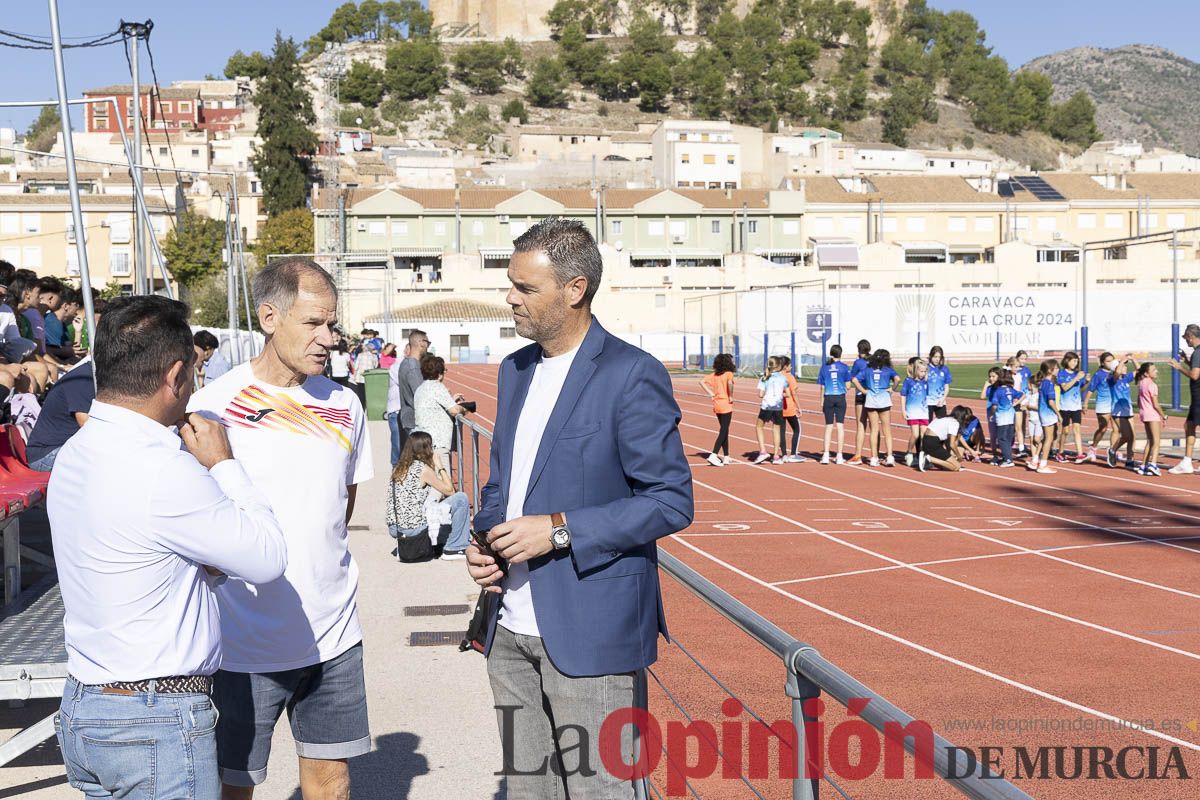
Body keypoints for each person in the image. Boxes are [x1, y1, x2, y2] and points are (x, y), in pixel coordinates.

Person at [466, 217, 693, 799]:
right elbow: (503, 485)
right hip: (509, 632)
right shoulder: (515, 370)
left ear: (574, 289)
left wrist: (559, 530)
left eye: (525, 288)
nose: (509, 299)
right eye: (511, 285)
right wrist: (486, 541)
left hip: (591, 635)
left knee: (601, 793)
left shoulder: (630, 374)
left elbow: (671, 500)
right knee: (528, 790)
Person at [49, 295, 287, 800]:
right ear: (176, 376)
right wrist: (224, 463)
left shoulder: (77, 451)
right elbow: (267, 558)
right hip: (154, 715)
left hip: (88, 704)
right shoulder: (162, 467)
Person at [188, 258, 374, 799]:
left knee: (332, 781)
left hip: (334, 633)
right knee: (234, 787)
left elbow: (342, 503)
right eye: (313, 323)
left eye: (332, 325)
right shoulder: (213, 404)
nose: (328, 338)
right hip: (241, 643)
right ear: (269, 316)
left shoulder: (345, 404)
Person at [385, 430, 470, 559]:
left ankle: (411, 544)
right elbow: (450, 491)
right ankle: (454, 548)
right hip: (414, 529)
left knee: (440, 518)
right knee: (461, 499)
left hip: (395, 528)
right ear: (425, 449)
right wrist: (439, 465)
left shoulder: (398, 468)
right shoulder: (423, 469)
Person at [25, 359, 95, 472]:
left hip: (68, 447)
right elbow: (86, 424)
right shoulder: (83, 379)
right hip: (46, 454)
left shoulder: (93, 376)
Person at [413, 354, 468, 463]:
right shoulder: (437, 387)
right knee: (442, 478)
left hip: (423, 440)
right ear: (439, 374)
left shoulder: (421, 388)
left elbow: (433, 406)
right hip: (436, 443)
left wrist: (451, 400)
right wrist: (464, 408)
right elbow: (454, 411)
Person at [852, 348, 900, 467]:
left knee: (874, 430)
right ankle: (889, 456)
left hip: (871, 401)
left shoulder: (867, 370)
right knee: (887, 430)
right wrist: (892, 388)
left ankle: (874, 457)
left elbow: (854, 379)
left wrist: (863, 391)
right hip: (884, 400)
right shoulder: (888, 370)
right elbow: (897, 379)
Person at [393, 329, 430, 464]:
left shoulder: (407, 363)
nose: (428, 346)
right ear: (421, 343)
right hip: (413, 420)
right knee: (416, 463)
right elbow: (421, 395)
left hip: (408, 417)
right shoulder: (413, 366)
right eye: (427, 343)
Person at [1168, 324, 1200, 474]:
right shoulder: (1196, 354)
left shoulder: (1198, 353)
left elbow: (1195, 375)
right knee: (1189, 425)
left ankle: (1187, 461)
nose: (1186, 341)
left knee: (1189, 425)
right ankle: (1187, 461)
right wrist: (1188, 362)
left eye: (1186, 338)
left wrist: (1179, 367)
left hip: (1199, 395)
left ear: (1191, 336)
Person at [817, 344, 851, 464]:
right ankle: (840, 455)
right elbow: (848, 386)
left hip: (828, 398)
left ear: (831, 354)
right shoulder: (845, 367)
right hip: (840, 398)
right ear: (840, 354)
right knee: (840, 426)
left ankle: (826, 455)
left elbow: (822, 386)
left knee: (829, 426)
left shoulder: (824, 368)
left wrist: (821, 401)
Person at [700, 352, 735, 466]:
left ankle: (726, 456)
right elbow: (730, 384)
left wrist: (710, 393)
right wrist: (730, 395)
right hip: (725, 404)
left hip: (717, 404)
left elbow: (701, 382)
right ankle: (714, 454)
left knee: (725, 430)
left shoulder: (715, 375)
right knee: (723, 430)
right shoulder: (729, 374)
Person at [918, 405, 976, 472]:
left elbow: (947, 441)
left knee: (949, 464)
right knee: (957, 467)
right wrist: (959, 456)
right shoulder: (954, 423)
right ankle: (929, 458)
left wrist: (949, 455)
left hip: (926, 441)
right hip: (933, 444)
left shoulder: (942, 417)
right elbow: (952, 444)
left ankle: (929, 458)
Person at [753, 356, 788, 464]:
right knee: (776, 429)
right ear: (779, 366)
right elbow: (787, 394)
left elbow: (760, 394)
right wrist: (779, 394)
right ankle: (776, 456)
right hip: (778, 406)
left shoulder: (765, 377)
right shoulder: (783, 378)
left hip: (767, 406)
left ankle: (763, 451)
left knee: (759, 427)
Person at [1055, 351, 1088, 463]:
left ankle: (1080, 454)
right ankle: (1060, 452)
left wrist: (1087, 382)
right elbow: (1064, 388)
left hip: (1076, 406)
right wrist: (1076, 379)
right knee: (1065, 431)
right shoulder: (1062, 373)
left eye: (1076, 361)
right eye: (1073, 360)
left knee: (1077, 429)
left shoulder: (1077, 374)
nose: (1075, 363)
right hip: (1065, 407)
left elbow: (1080, 389)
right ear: (1067, 361)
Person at [1083, 351, 1115, 463]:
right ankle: (1093, 447)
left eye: (1112, 360)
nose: (1111, 363)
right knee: (1103, 428)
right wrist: (1085, 403)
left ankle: (1113, 451)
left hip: (1115, 404)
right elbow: (1091, 389)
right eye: (1108, 361)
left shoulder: (1115, 372)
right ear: (1102, 363)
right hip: (1103, 404)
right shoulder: (1099, 374)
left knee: (1116, 429)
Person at [1030, 359, 1060, 475]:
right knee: (1049, 439)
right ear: (1049, 370)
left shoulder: (1043, 382)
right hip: (1048, 413)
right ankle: (1043, 464)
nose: (1058, 371)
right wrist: (1058, 414)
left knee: (1045, 438)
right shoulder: (1049, 384)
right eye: (1056, 368)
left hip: (1043, 413)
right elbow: (1051, 402)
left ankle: (1035, 460)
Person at [1107, 356, 1137, 470]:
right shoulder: (1111, 379)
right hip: (1117, 412)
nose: (1125, 367)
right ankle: (1112, 450)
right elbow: (1117, 372)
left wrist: (1133, 359)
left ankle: (1130, 460)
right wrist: (1122, 360)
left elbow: (1139, 371)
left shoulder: (1125, 378)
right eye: (1123, 365)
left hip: (1128, 411)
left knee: (1132, 436)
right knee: (1126, 436)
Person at [988, 371, 1023, 468]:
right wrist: (1016, 403)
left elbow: (994, 405)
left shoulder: (998, 391)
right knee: (1007, 439)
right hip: (1011, 417)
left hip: (1002, 418)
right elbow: (1022, 395)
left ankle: (1008, 459)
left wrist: (992, 414)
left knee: (1002, 439)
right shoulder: (1010, 389)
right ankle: (1006, 457)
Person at [1136, 362, 1165, 476]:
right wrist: (1163, 415)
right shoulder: (1152, 385)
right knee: (1156, 441)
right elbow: (1156, 405)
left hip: (1144, 414)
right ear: (1147, 373)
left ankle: (1143, 465)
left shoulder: (1141, 383)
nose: (1156, 371)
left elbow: (1139, 401)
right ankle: (1153, 464)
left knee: (1150, 440)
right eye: (1153, 370)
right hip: (1153, 415)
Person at [900, 357, 929, 467]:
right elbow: (903, 395)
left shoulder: (925, 382)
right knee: (915, 434)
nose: (923, 373)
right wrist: (903, 410)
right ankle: (909, 452)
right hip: (912, 412)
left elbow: (926, 396)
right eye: (921, 371)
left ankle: (922, 453)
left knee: (924, 434)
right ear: (916, 370)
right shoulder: (908, 381)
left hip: (923, 411)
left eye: (925, 371)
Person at [847, 339, 872, 465]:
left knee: (861, 425)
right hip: (874, 395)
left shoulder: (858, 363)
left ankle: (858, 455)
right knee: (875, 427)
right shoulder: (874, 361)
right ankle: (875, 455)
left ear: (859, 350)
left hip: (861, 394)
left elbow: (852, 377)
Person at [777, 355, 804, 462]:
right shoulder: (789, 377)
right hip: (789, 407)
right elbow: (794, 393)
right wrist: (799, 407)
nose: (791, 367)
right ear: (785, 366)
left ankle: (784, 454)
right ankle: (793, 454)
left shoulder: (776, 376)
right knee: (797, 429)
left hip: (778, 408)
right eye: (790, 365)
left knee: (781, 431)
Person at [926, 345, 952, 419]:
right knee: (927, 426)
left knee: (942, 425)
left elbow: (946, 387)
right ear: (930, 356)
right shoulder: (925, 368)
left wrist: (943, 399)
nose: (937, 359)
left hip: (940, 402)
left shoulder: (944, 369)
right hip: (927, 402)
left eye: (939, 357)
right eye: (935, 357)